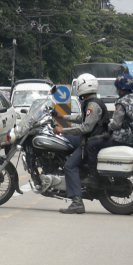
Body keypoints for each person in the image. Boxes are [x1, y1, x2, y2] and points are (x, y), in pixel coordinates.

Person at [52, 74, 109, 214]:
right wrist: (62, 116)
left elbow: (86, 127)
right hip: (91, 139)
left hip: (92, 141)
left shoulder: (93, 105)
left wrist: (63, 130)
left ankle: (77, 202)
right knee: (67, 142)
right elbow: (81, 118)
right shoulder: (91, 102)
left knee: (70, 166)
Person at [86, 74, 133, 171]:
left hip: (124, 139)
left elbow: (116, 124)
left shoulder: (122, 102)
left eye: (117, 88)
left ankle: (93, 176)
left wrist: (108, 127)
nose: (117, 90)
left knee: (92, 144)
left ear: (120, 88)